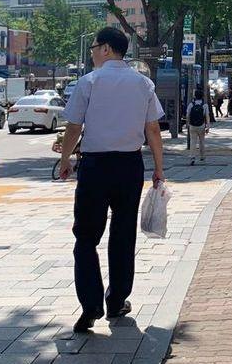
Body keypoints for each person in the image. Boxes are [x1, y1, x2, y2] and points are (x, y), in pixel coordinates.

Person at [57, 28, 167, 332]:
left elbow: (74, 127)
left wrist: (65, 159)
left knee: (85, 237)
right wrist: (159, 167)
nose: (91, 52)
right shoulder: (143, 83)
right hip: (130, 165)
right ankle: (117, 300)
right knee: (122, 234)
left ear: (106, 49)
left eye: (94, 47)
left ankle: (90, 305)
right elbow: (153, 131)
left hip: (95, 167)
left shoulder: (89, 82)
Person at [186, 89, 209, 163]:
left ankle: (192, 157)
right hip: (201, 125)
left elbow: (187, 115)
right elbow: (207, 116)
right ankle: (202, 156)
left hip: (192, 125)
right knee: (202, 141)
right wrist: (208, 126)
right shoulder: (204, 105)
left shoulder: (191, 104)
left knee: (193, 141)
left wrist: (188, 124)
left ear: (195, 96)